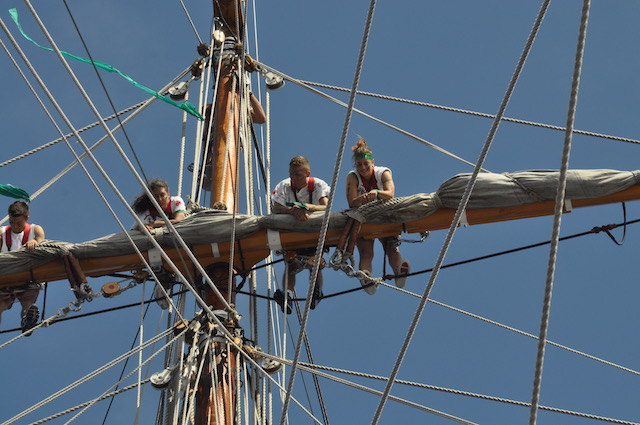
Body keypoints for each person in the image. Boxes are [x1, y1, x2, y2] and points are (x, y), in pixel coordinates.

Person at [345, 138, 410, 295]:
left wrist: (376, 192)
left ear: (372, 162)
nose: (362, 168)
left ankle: (399, 270)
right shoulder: (353, 177)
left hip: (383, 214)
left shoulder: (383, 172)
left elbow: (390, 193)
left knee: (391, 247)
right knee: (367, 252)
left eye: (366, 164)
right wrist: (363, 199)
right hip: (363, 217)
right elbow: (352, 202)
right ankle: (366, 276)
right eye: (359, 164)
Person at [271, 156, 331, 313]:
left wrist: (306, 207)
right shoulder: (284, 186)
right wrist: (292, 211)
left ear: (307, 174)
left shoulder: (318, 185)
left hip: (313, 233)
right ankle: (287, 295)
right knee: (290, 263)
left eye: (297, 174)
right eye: (291, 174)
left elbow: (326, 207)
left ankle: (316, 292)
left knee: (315, 262)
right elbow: (276, 208)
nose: (293, 178)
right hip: (293, 233)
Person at [0, 200, 45, 334]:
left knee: (28, 301)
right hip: (6, 278)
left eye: (18, 223)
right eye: (11, 222)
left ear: (26, 218)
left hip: (27, 279)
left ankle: (27, 321)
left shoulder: (35, 230)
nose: (14, 226)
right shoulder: (2, 232)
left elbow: (42, 244)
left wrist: (35, 242)